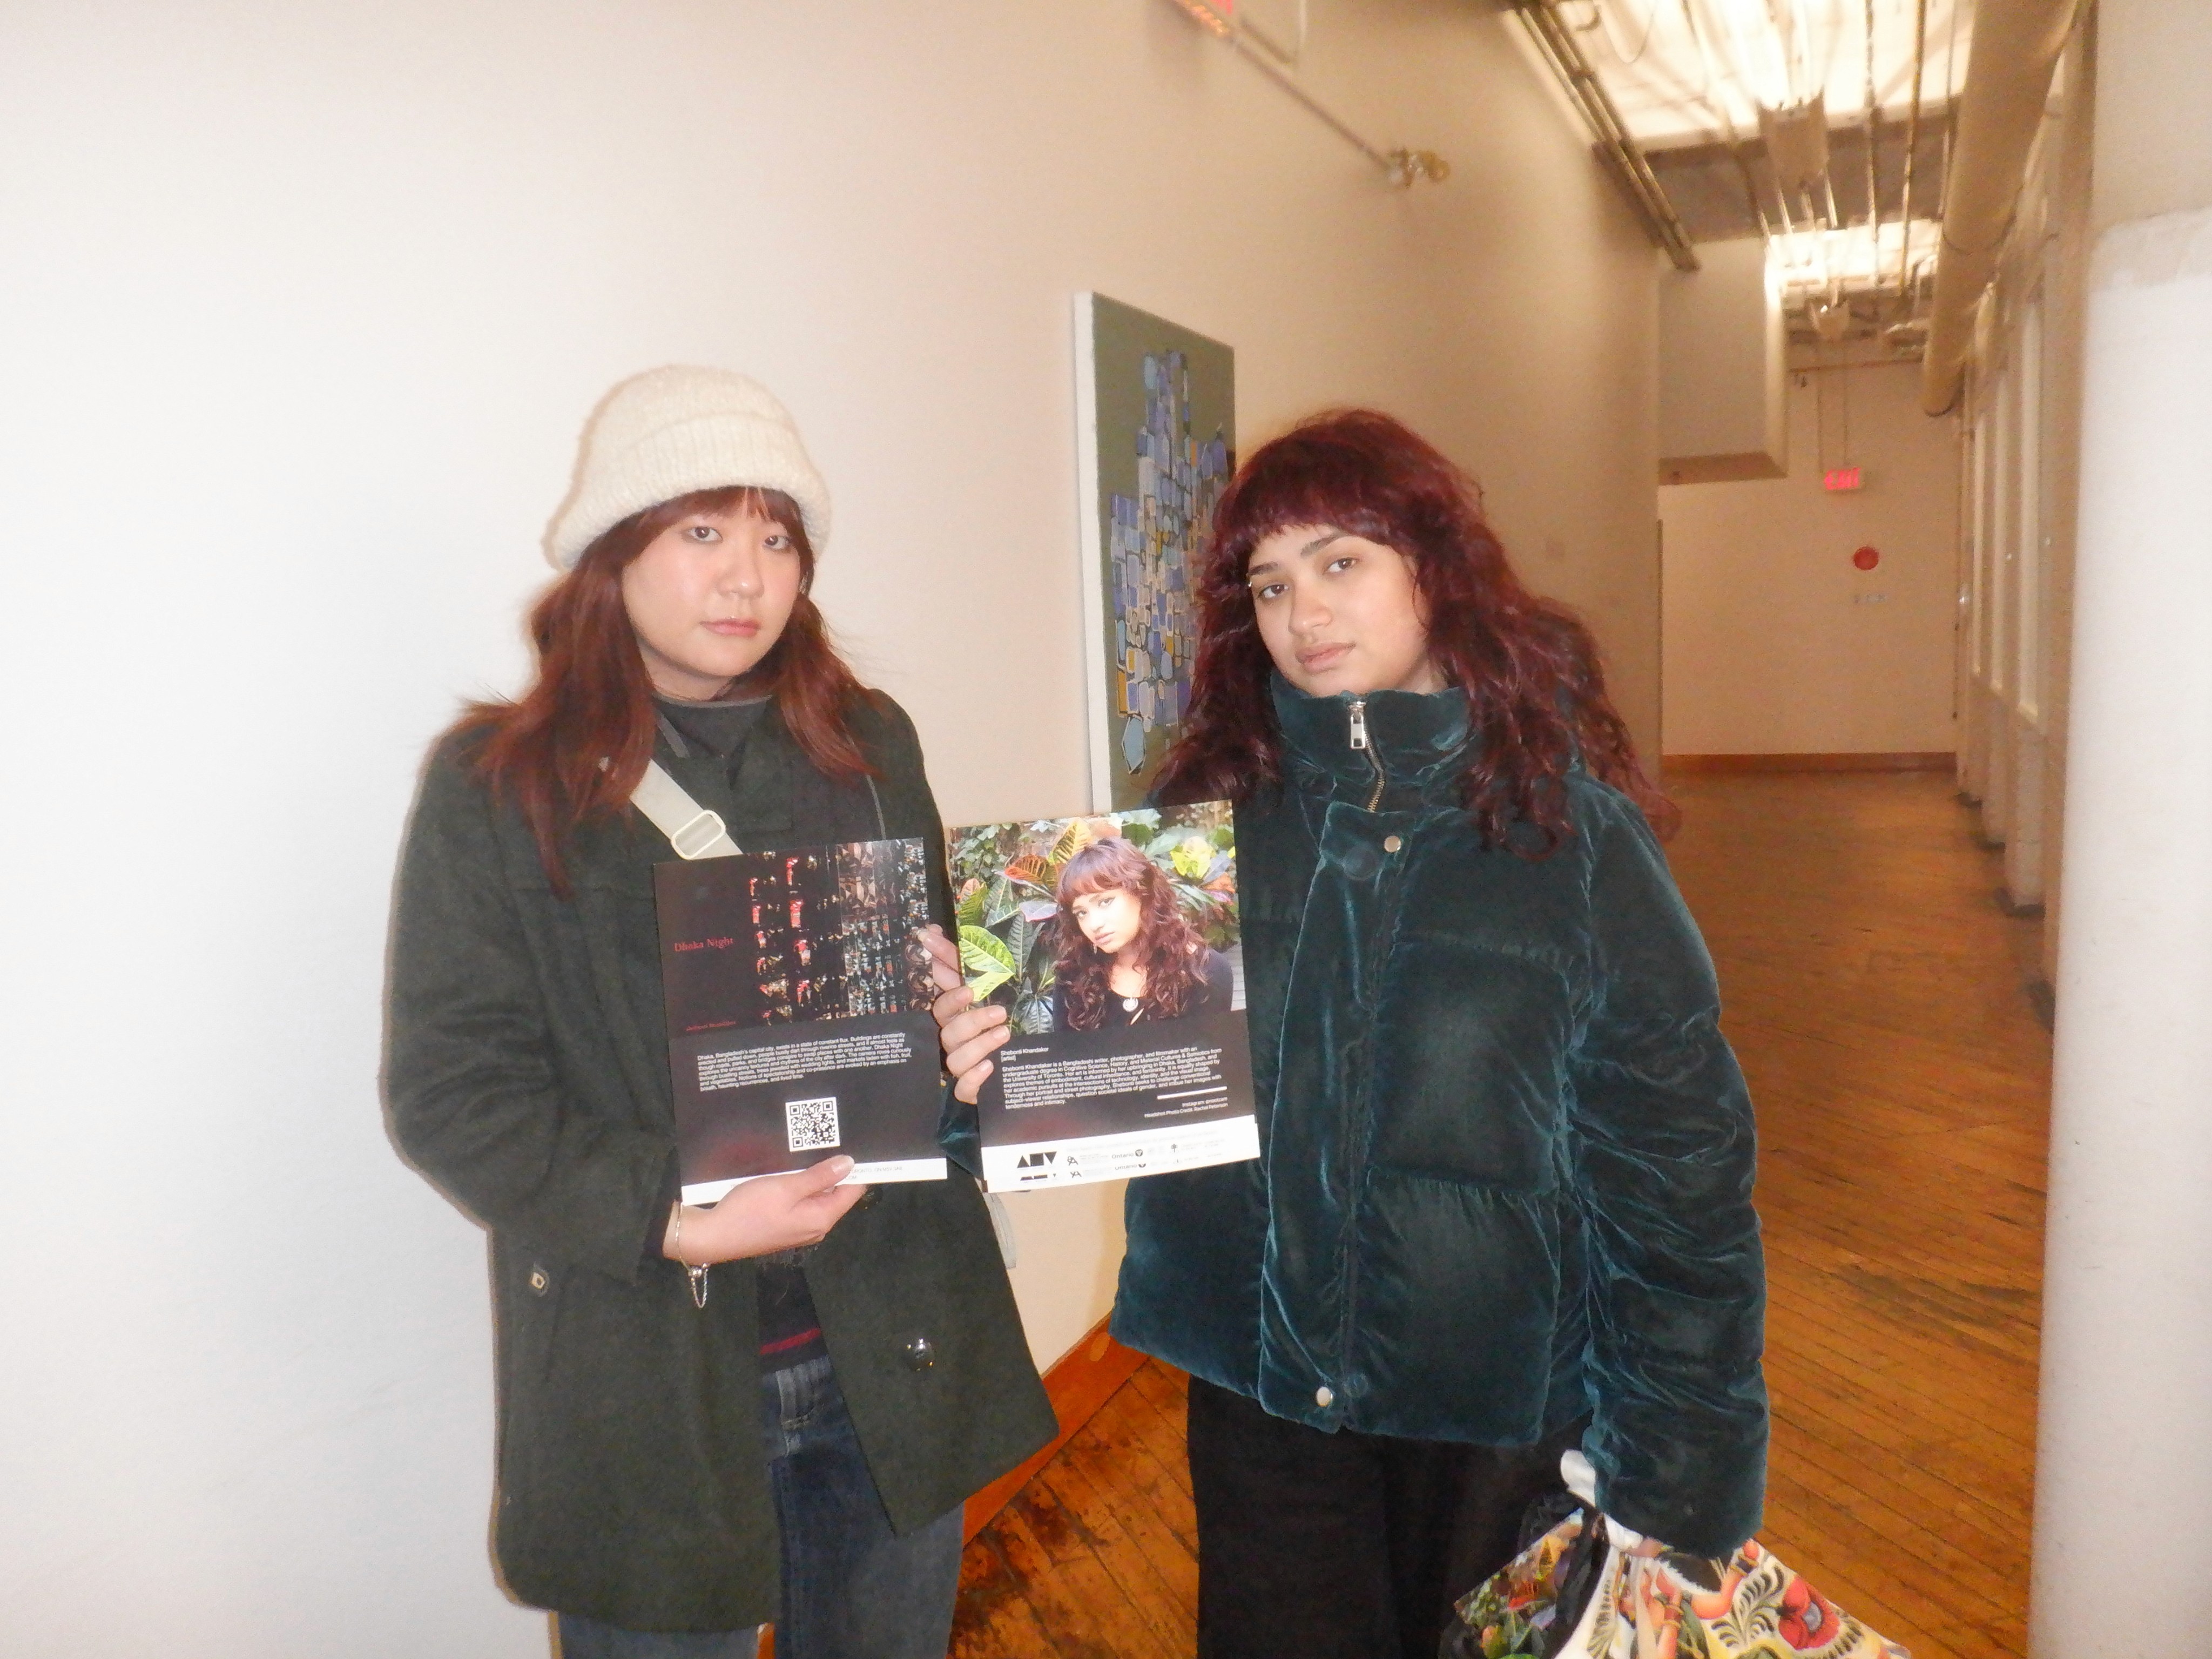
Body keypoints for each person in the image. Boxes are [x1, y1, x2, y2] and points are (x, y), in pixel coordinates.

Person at [929, 410, 1765, 1659]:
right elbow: (1097, 1093)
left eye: (1338, 562)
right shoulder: (1197, 838)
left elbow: (1679, 1176)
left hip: (1495, 1419)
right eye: (1270, 584)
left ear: (1433, 568)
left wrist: (1678, 1468)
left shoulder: (1570, 838)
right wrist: (980, 1074)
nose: (1302, 612)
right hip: (1265, 1408)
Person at [387, 367, 1055, 1659]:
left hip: (892, 1344)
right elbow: (452, 1093)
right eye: (702, 531)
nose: (746, 577)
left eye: (777, 538)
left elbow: (930, 1007)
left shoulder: (867, 743)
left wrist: (972, 1041)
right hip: (648, 1367)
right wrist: (677, 1218)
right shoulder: (500, 787)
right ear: (614, 551)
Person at [1050, 835, 1235, 1030]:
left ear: (1142, 892)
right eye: (1081, 913)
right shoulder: (1073, 979)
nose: (1094, 924)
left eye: (1105, 902)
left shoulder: (1206, 972)